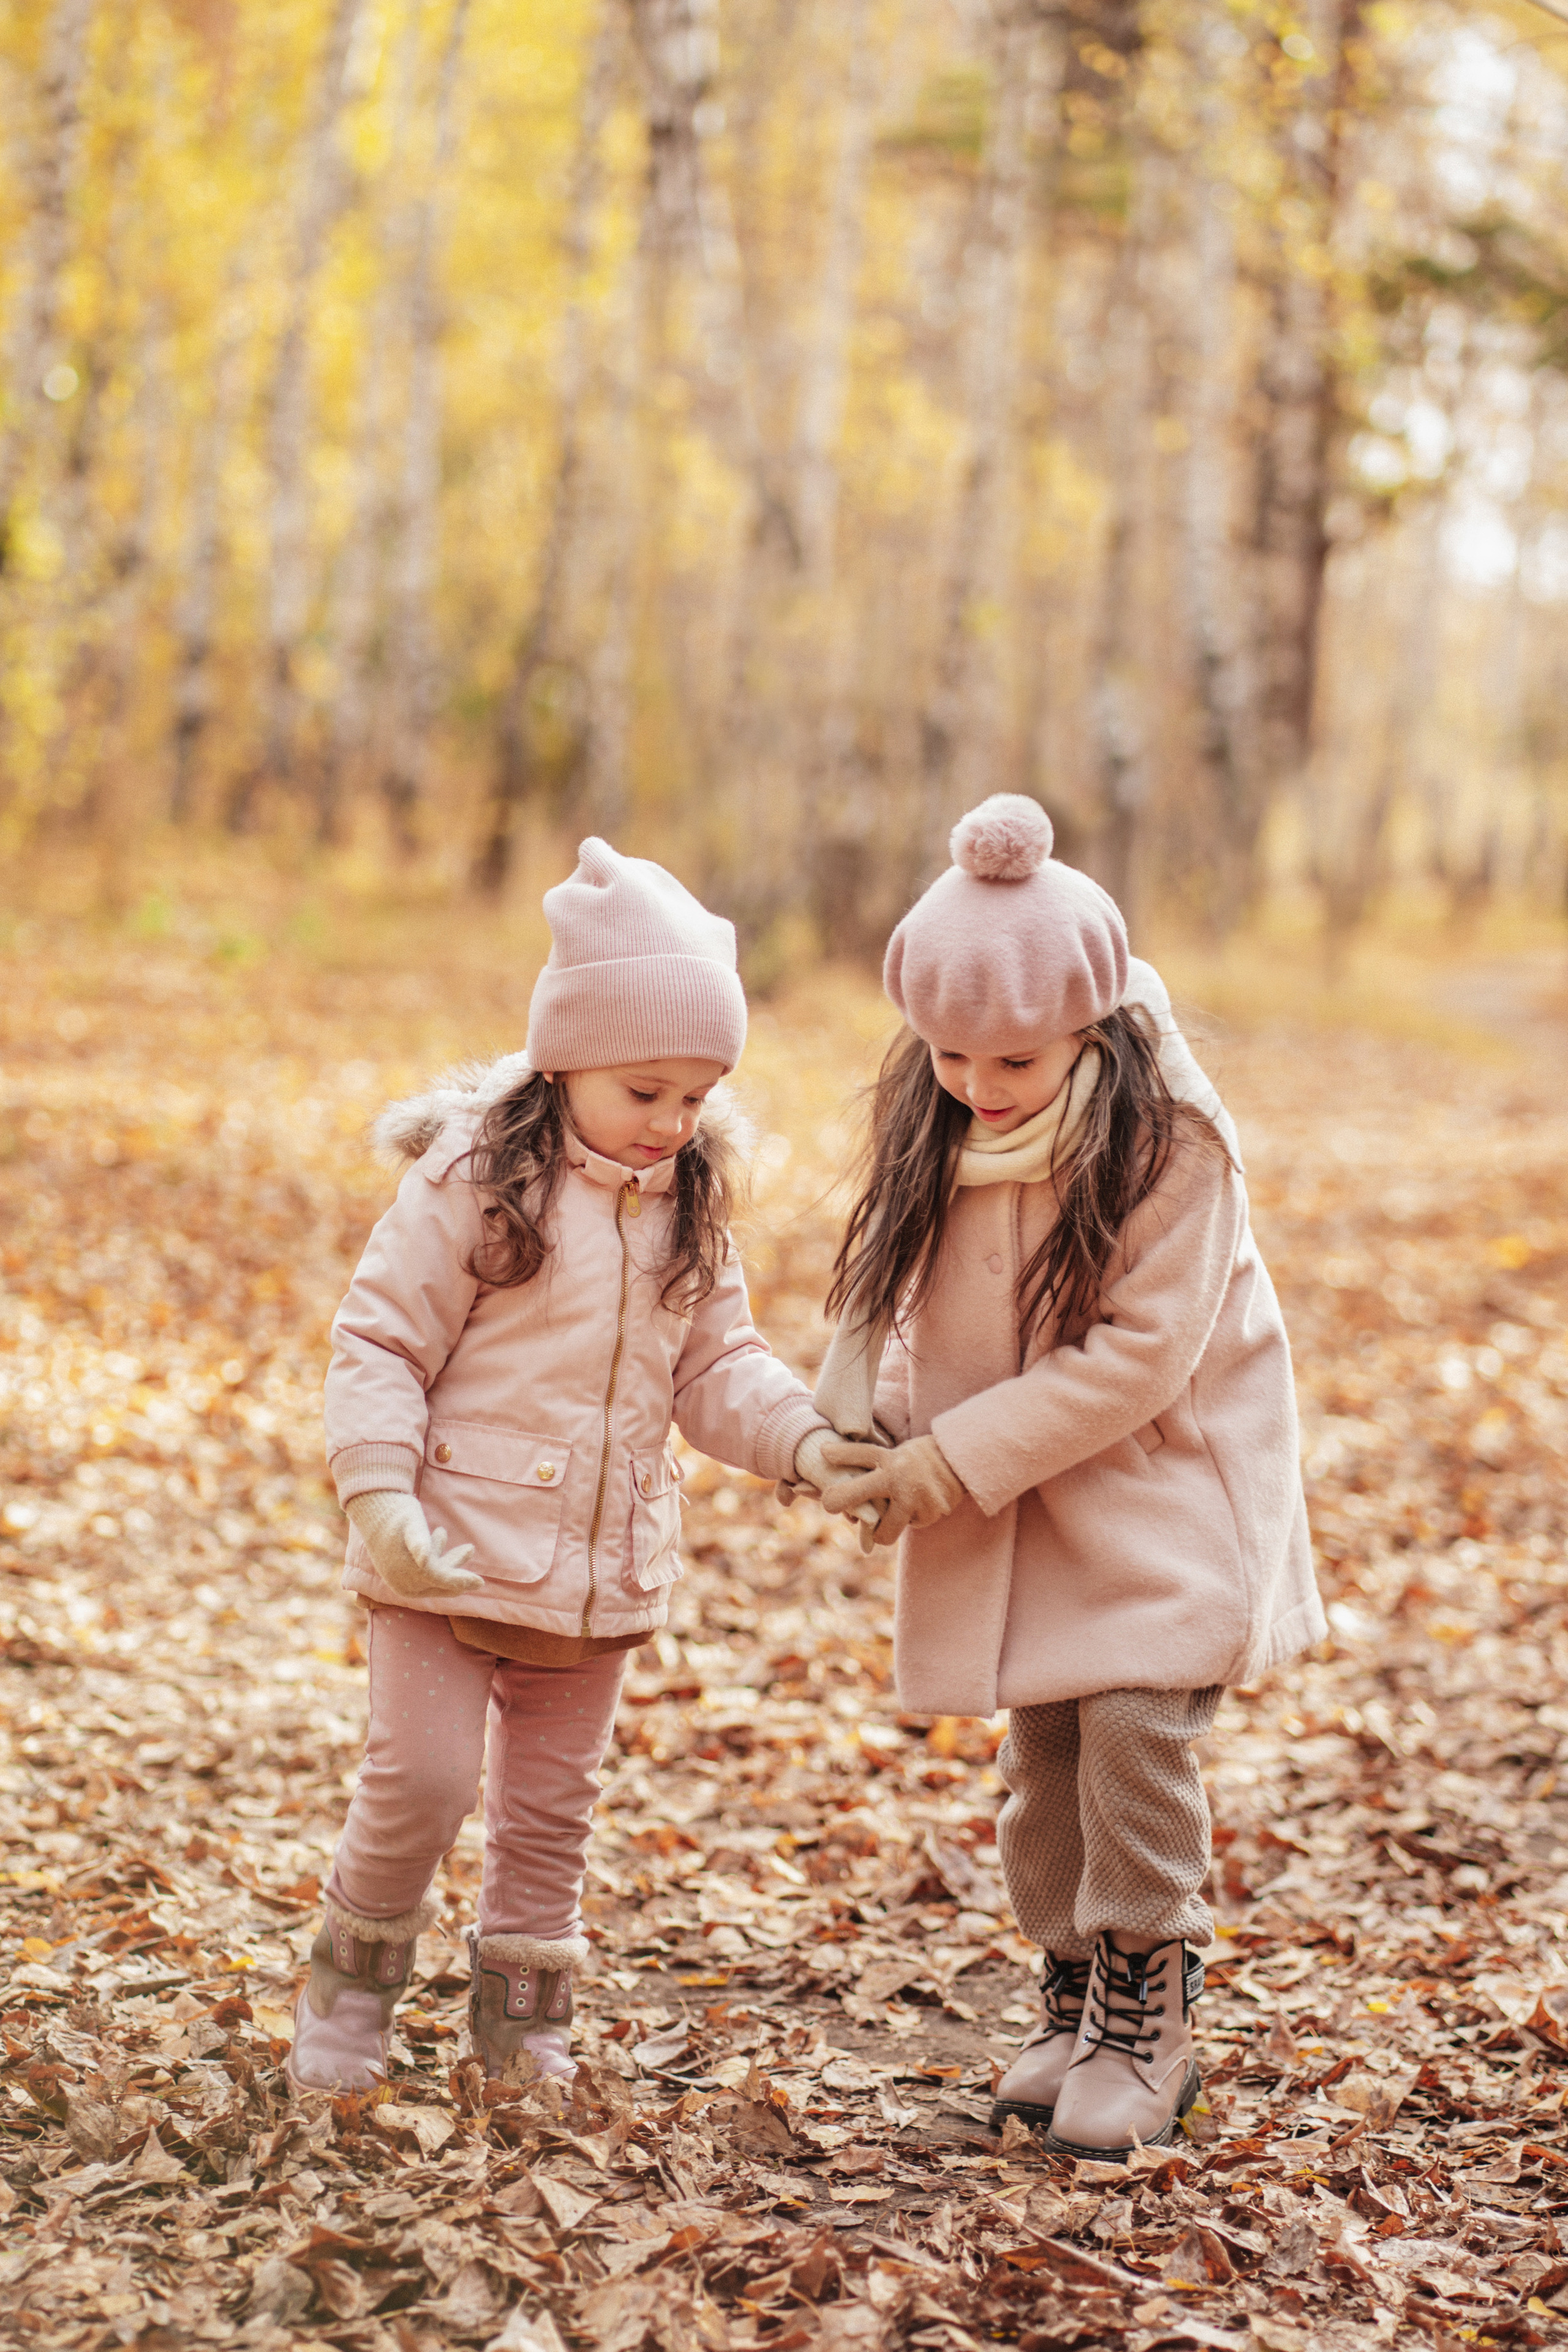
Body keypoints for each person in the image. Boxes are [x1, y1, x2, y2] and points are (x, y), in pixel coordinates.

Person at [804, 794, 1322, 2158]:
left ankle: (1152, 2006)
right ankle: (1075, 1988)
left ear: (1089, 1025)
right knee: (1043, 1751)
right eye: (951, 1053)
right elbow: (924, 1313)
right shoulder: (948, 1123)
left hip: (1164, 1485)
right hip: (1028, 1492)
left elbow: (1141, 1359)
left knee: (1135, 1731)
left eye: (1015, 1058)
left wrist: (949, 1464)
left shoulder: (1170, 1139)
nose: (980, 1084)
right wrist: (882, 1426)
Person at [290, 839, 850, 2094]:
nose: (674, 1123)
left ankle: (521, 2022)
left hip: (596, 1570)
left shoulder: (688, 1201)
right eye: (646, 1090)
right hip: (440, 1554)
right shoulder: (476, 1179)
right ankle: (350, 1993)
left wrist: (804, 1443)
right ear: (566, 1059)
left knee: (550, 1812)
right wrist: (378, 1496)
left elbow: (717, 1365)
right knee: (422, 1781)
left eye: (699, 1096)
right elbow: (380, 1341)